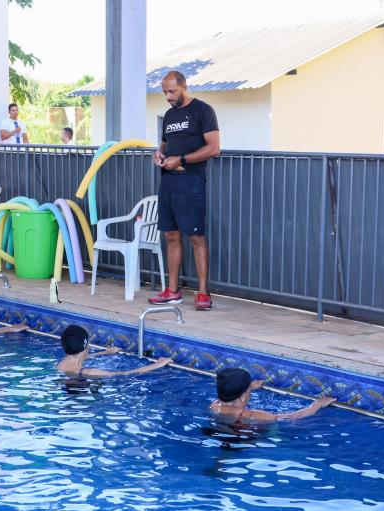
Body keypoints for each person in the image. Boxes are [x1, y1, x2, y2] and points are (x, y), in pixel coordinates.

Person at [149, 71, 220, 311]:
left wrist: (183, 160)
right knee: (171, 235)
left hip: (192, 182)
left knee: (196, 237)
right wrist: (158, 155)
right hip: (168, 182)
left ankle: (202, 292)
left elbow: (214, 148)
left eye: (172, 92)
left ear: (184, 87)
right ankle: (172, 291)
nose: (168, 97)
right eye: (165, 92)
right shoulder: (169, 115)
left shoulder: (203, 110)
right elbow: (165, 146)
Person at [210, 367, 335, 423]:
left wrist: (250, 387)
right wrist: (317, 404)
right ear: (242, 396)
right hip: (244, 438)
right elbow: (291, 417)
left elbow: (230, 392)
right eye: (248, 390)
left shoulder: (215, 405)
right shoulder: (252, 415)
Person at [56, 325, 172, 378]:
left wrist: (104, 353)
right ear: (85, 345)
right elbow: (127, 373)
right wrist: (157, 364)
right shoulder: (90, 372)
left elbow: (81, 357)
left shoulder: (61, 364)